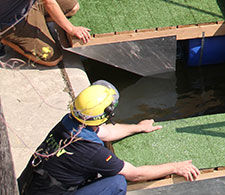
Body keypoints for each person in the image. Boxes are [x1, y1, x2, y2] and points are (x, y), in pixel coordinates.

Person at [18, 80, 199, 194]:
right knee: (117, 182)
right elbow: (135, 174)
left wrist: (138, 127)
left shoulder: (69, 122)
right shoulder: (93, 153)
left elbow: (106, 132)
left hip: (29, 187)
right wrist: (175, 167)